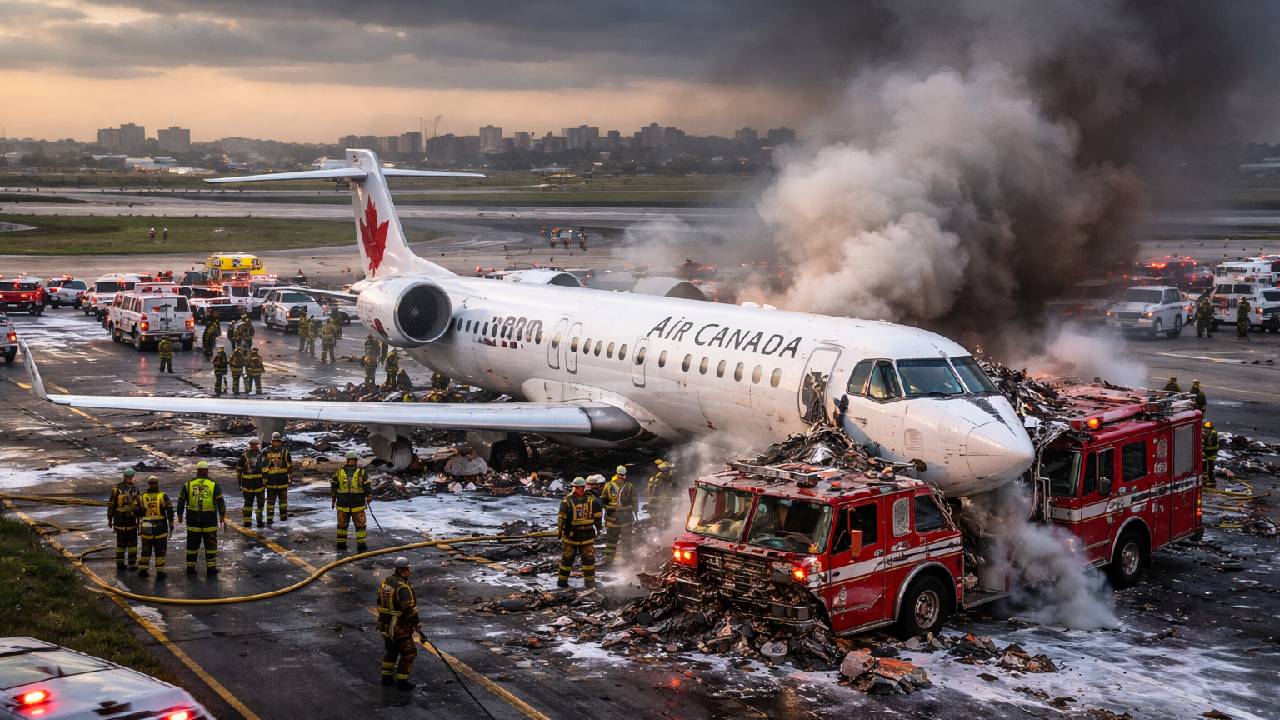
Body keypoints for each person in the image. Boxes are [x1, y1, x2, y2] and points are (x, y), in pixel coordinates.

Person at [377, 557, 422, 690]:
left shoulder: (387, 582)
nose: (410, 571)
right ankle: (402, 682)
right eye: (408, 569)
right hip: (398, 627)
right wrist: (417, 623)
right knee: (409, 652)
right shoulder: (402, 587)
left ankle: (386, 678)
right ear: (404, 570)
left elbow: (379, 600)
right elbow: (408, 608)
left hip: (384, 624)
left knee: (391, 651)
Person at [177, 461, 226, 575]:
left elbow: (181, 500)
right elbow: (220, 501)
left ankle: (190, 567)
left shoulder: (188, 484)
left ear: (197, 471)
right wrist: (222, 515)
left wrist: (180, 514)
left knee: (192, 544)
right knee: (211, 544)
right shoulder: (213, 484)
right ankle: (211, 568)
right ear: (207, 471)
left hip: (193, 518)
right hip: (209, 519)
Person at [557, 477, 602, 589]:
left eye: (578, 487)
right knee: (567, 559)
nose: (577, 489)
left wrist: (598, 528)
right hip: (571, 536)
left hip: (586, 536)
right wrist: (560, 532)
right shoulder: (566, 501)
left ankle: (589, 582)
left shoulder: (591, 501)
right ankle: (562, 582)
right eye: (576, 487)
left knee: (588, 560)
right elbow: (561, 519)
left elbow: (598, 516)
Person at [332, 451, 372, 552]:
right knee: (359, 525)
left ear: (347, 459)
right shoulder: (359, 472)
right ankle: (360, 545)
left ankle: (344, 545)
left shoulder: (341, 471)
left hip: (346, 504)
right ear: (355, 459)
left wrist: (333, 499)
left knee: (343, 525)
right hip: (355, 504)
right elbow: (367, 485)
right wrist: (368, 496)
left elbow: (333, 486)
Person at [138, 476, 174, 579]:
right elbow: (170, 509)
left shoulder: (142, 496)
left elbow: (137, 511)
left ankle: (143, 570)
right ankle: (160, 572)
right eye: (152, 483)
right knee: (160, 550)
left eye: (153, 483)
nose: (153, 485)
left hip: (147, 527)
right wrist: (171, 522)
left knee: (146, 549)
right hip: (160, 527)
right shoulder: (163, 496)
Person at [108, 467, 142, 571]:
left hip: (120, 521)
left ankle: (120, 564)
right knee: (132, 544)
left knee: (121, 544)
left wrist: (110, 519)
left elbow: (111, 506)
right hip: (131, 520)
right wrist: (139, 520)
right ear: (132, 477)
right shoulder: (135, 490)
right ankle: (132, 564)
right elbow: (140, 506)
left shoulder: (116, 489)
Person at [602, 465, 636, 564]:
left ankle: (609, 560)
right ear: (624, 475)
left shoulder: (608, 485)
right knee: (626, 540)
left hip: (612, 518)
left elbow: (603, 500)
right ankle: (627, 560)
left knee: (611, 541)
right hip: (626, 518)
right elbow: (634, 500)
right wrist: (635, 509)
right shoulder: (629, 486)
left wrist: (608, 508)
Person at [263, 431, 292, 524]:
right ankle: (283, 518)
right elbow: (289, 466)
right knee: (282, 501)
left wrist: (264, 479)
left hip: (272, 481)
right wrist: (290, 477)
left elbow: (262, 466)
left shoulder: (265, 451)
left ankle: (270, 519)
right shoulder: (285, 451)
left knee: (271, 502)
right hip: (281, 481)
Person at [238, 438, 267, 527]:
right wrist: (240, 483)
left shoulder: (262, 456)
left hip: (259, 485)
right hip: (248, 485)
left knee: (260, 505)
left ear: (257, 445)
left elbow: (266, 470)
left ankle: (259, 521)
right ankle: (247, 522)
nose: (253, 446)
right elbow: (239, 470)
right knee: (248, 504)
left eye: (255, 444)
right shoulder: (244, 456)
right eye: (252, 444)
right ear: (250, 445)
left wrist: (266, 482)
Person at [1203, 420, 1219, 488]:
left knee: (1210, 469)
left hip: (1211, 454)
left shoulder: (1214, 434)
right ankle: (1205, 482)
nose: (1206, 430)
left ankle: (1212, 482)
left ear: (1211, 429)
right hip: (1205, 454)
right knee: (1204, 469)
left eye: (1208, 429)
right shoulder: (1203, 433)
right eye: (1206, 429)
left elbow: (1215, 445)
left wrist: (1205, 448)